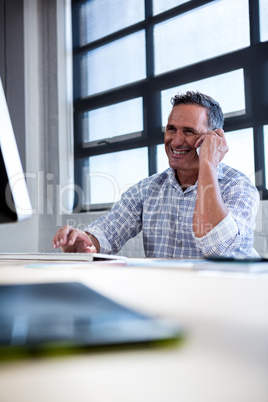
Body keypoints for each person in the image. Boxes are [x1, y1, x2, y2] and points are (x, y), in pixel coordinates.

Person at [52, 91, 259, 258]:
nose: (176, 141)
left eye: (188, 131)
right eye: (171, 129)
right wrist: (87, 242)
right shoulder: (147, 189)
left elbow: (219, 250)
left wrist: (208, 162)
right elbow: (108, 231)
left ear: (213, 138)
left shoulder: (238, 187)